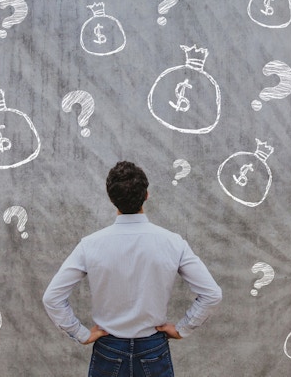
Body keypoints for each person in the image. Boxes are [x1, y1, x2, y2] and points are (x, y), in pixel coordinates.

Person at [43, 161, 222, 377]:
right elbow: (211, 294)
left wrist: (80, 333)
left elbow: (52, 297)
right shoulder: (173, 242)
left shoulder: (90, 245)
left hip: (108, 349)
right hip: (153, 349)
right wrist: (182, 328)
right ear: (146, 195)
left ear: (111, 198)